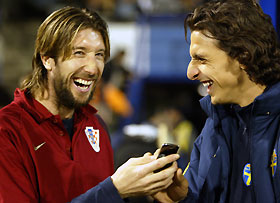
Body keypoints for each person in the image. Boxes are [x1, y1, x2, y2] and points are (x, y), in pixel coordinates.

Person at [0, 7, 181, 202]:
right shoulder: (8, 130)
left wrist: (142, 193)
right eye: (79, 53)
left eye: (99, 55)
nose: (93, 68)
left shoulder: (95, 125)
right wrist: (114, 189)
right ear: (47, 59)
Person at [152, 0, 280, 202]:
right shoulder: (213, 126)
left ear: (243, 57)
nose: (190, 72)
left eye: (201, 59)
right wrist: (178, 197)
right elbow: (196, 195)